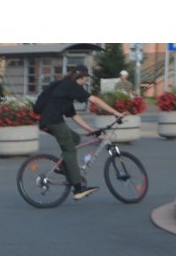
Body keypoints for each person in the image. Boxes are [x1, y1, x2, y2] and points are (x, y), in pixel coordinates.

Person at [36, 63, 123, 201]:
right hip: (53, 122)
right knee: (70, 150)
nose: (86, 82)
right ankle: (78, 189)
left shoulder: (66, 89)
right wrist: (115, 113)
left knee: (75, 139)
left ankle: (63, 168)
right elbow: (94, 100)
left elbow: (73, 115)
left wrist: (91, 130)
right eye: (86, 79)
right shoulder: (71, 86)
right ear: (81, 77)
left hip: (50, 121)